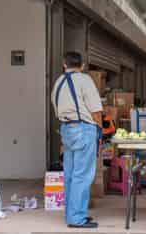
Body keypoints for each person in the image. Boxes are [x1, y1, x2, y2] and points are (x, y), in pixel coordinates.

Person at [51, 51, 103, 228]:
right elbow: (96, 109)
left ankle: (71, 214)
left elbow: (56, 107)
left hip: (66, 130)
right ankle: (77, 218)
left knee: (71, 175)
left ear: (64, 64)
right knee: (82, 175)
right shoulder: (84, 79)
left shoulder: (58, 82)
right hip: (83, 129)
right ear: (82, 66)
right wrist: (99, 128)